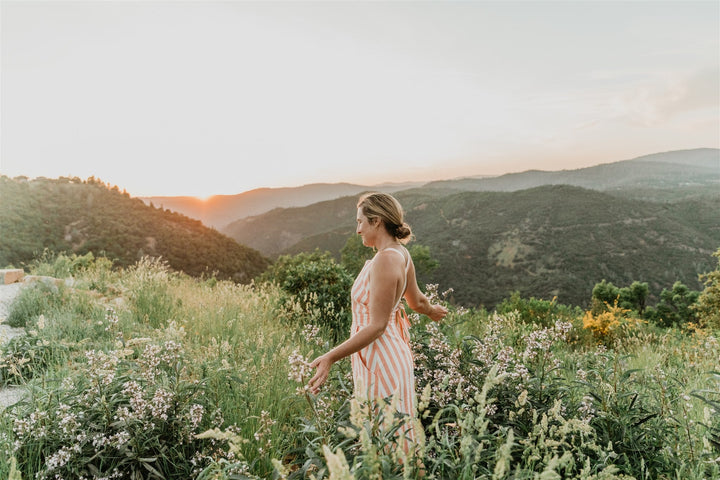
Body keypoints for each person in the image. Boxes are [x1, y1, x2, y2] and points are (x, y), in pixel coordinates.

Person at [308, 192, 448, 448]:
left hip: (380, 357)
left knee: (387, 438)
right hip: (387, 354)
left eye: (360, 221)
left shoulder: (384, 260)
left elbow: (377, 325)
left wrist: (330, 357)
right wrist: (432, 311)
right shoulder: (400, 253)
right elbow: (416, 302)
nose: (358, 229)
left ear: (376, 221)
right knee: (396, 432)